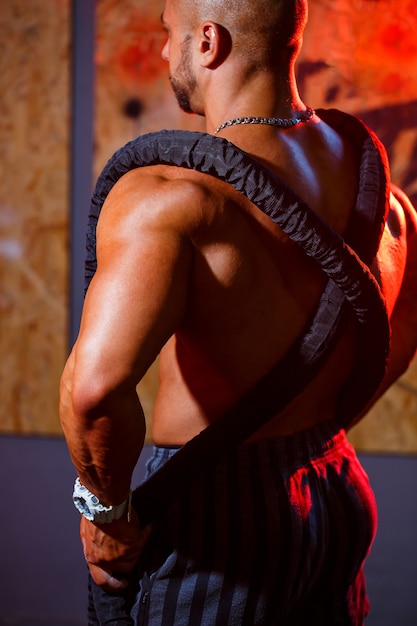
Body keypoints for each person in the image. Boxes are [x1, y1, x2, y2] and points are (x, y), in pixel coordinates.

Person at [59, 0, 417, 624]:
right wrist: (313, 436)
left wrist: (108, 513)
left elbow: (92, 392)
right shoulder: (381, 194)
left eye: (169, 36)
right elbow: (402, 331)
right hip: (335, 492)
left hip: (218, 523)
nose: (166, 53)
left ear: (208, 42)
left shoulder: (172, 197)